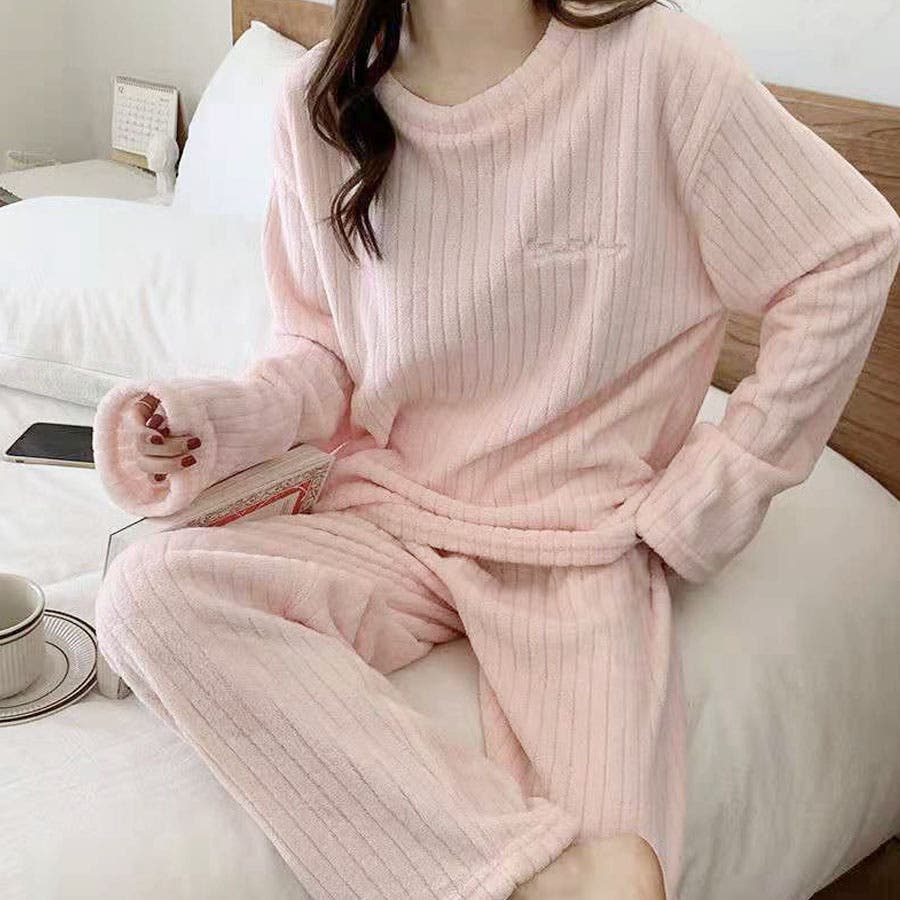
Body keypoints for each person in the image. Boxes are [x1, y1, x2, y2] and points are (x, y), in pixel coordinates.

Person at [91, 0, 900, 897]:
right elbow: (321, 348)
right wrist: (224, 419)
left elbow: (847, 257)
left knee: (625, 867)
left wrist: (711, 495)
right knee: (148, 594)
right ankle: (514, 872)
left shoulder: (660, 69)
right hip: (389, 517)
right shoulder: (317, 102)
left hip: (576, 546)